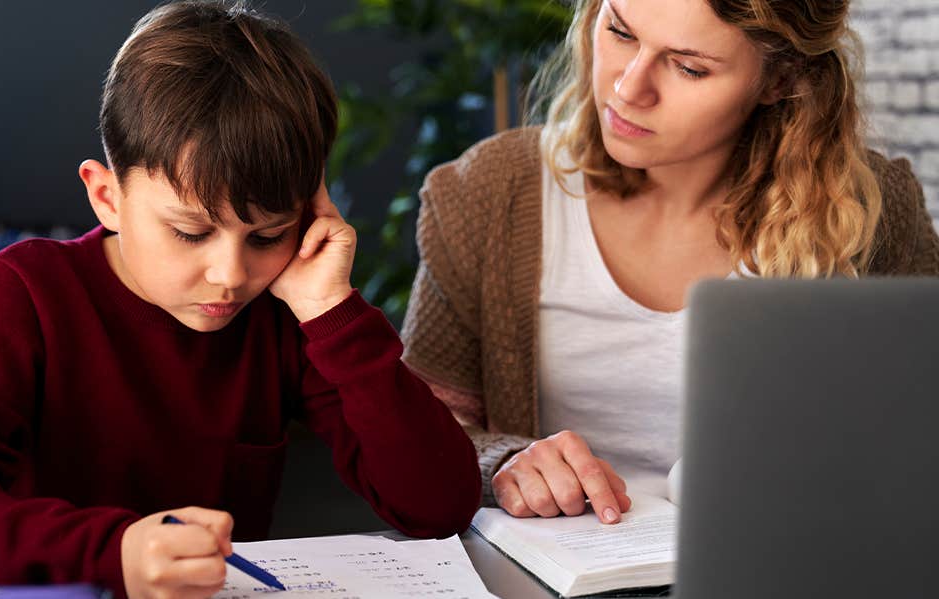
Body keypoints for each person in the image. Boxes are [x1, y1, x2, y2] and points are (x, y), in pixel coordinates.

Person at [0, 2, 481, 598]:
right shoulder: (29, 290)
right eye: (190, 232)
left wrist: (332, 311)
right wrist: (114, 553)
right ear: (108, 196)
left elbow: (438, 506)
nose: (230, 275)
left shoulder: (281, 308)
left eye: (268, 235)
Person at [401, 0, 939, 526]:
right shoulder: (489, 193)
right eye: (620, 31)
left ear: (781, 79)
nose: (629, 87)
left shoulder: (870, 212)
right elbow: (417, 430)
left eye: (688, 67)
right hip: (552, 577)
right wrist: (503, 462)